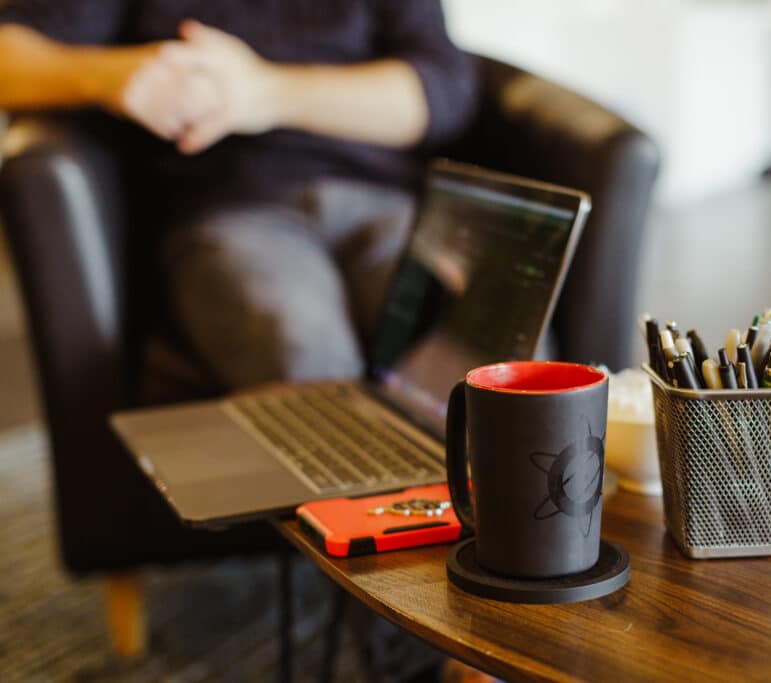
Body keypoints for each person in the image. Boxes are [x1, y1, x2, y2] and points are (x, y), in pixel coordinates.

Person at [0, 2, 481, 681]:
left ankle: (497, 644)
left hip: (388, 206)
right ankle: (406, 661)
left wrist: (264, 92)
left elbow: (444, 87)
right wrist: (111, 73)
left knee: (491, 352)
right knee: (307, 357)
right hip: (229, 211)